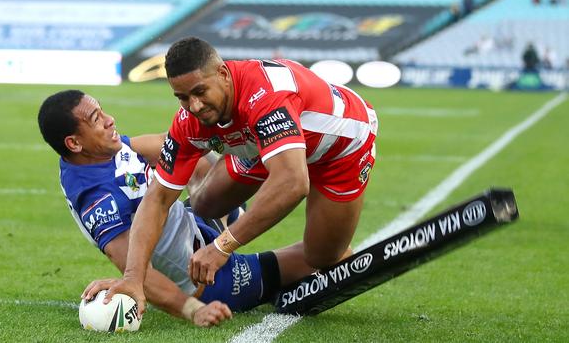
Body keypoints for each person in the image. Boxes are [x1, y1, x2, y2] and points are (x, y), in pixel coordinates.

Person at [87, 37, 378, 319]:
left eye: (200, 92)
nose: (195, 106)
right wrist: (134, 277)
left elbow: (293, 182)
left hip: (340, 151)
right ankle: (226, 216)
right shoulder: (189, 120)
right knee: (203, 204)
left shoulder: (265, 95)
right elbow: (157, 198)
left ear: (224, 74)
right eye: (183, 97)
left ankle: (249, 235)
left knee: (322, 257)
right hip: (262, 143)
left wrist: (222, 246)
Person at [37, 90, 313, 326]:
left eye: (102, 111)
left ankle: (225, 218)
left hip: (196, 226)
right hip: (207, 279)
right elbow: (132, 267)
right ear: (74, 143)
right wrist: (194, 310)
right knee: (322, 256)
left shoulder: (104, 150)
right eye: (97, 119)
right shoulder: (97, 198)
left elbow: (175, 147)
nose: (110, 120)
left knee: (232, 163)